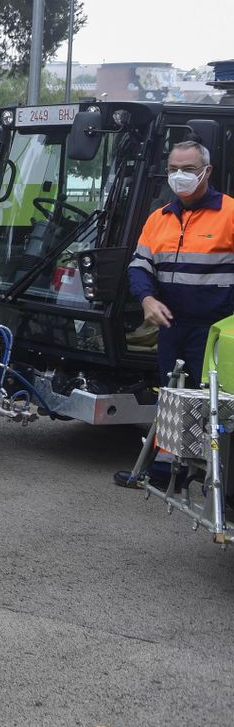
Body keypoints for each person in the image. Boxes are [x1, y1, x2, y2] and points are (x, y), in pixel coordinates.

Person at [115, 140, 233, 489]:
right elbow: (140, 266)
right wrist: (147, 299)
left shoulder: (229, 213)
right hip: (172, 326)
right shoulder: (159, 218)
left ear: (207, 172)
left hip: (217, 331)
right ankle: (168, 473)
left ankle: (219, 482)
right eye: (173, 169)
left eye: (188, 169)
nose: (180, 175)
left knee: (215, 402)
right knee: (172, 398)